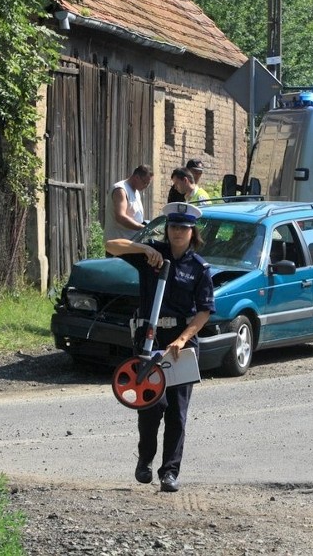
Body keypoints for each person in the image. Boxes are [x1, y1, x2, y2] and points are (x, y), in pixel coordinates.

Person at [105, 202, 215, 492]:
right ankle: (144, 461)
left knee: (177, 411)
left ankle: (170, 473)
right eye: (174, 226)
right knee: (152, 406)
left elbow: (205, 311)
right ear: (167, 229)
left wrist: (182, 338)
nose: (178, 232)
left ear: (193, 232)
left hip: (180, 342)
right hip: (149, 337)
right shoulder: (152, 255)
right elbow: (111, 245)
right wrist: (143, 249)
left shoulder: (199, 268)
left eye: (184, 228)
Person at [104, 165, 153, 242]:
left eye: (148, 184)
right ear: (137, 177)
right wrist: (143, 228)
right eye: (145, 183)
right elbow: (120, 217)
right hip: (119, 245)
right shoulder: (120, 189)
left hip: (132, 243)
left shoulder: (136, 191)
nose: (146, 186)